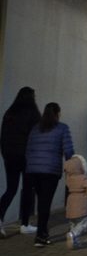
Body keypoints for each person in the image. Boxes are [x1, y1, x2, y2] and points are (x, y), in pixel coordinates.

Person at [25, 102, 75, 246]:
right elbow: (68, 150)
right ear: (58, 113)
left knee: (41, 201)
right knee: (45, 202)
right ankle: (41, 235)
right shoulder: (62, 128)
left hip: (33, 170)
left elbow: (29, 149)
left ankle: (42, 231)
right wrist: (70, 167)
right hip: (50, 171)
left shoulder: (36, 129)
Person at [0, 87, 41, 237]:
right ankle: (25, 223)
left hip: (9, 155)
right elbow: (37, 135)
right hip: (27, 156)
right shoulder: (33, 114)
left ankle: (0, 217)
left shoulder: (9, 113)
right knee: (28, 189)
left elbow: (3, 136)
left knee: (11, 188)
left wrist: (5, 152)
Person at [64, 154, 87, 250]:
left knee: (73, 223)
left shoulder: (68, 179)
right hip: (81, 203)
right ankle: (73, 234)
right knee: (83, 224)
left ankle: (75, 241)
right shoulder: (84, 178)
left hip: (70, 202)